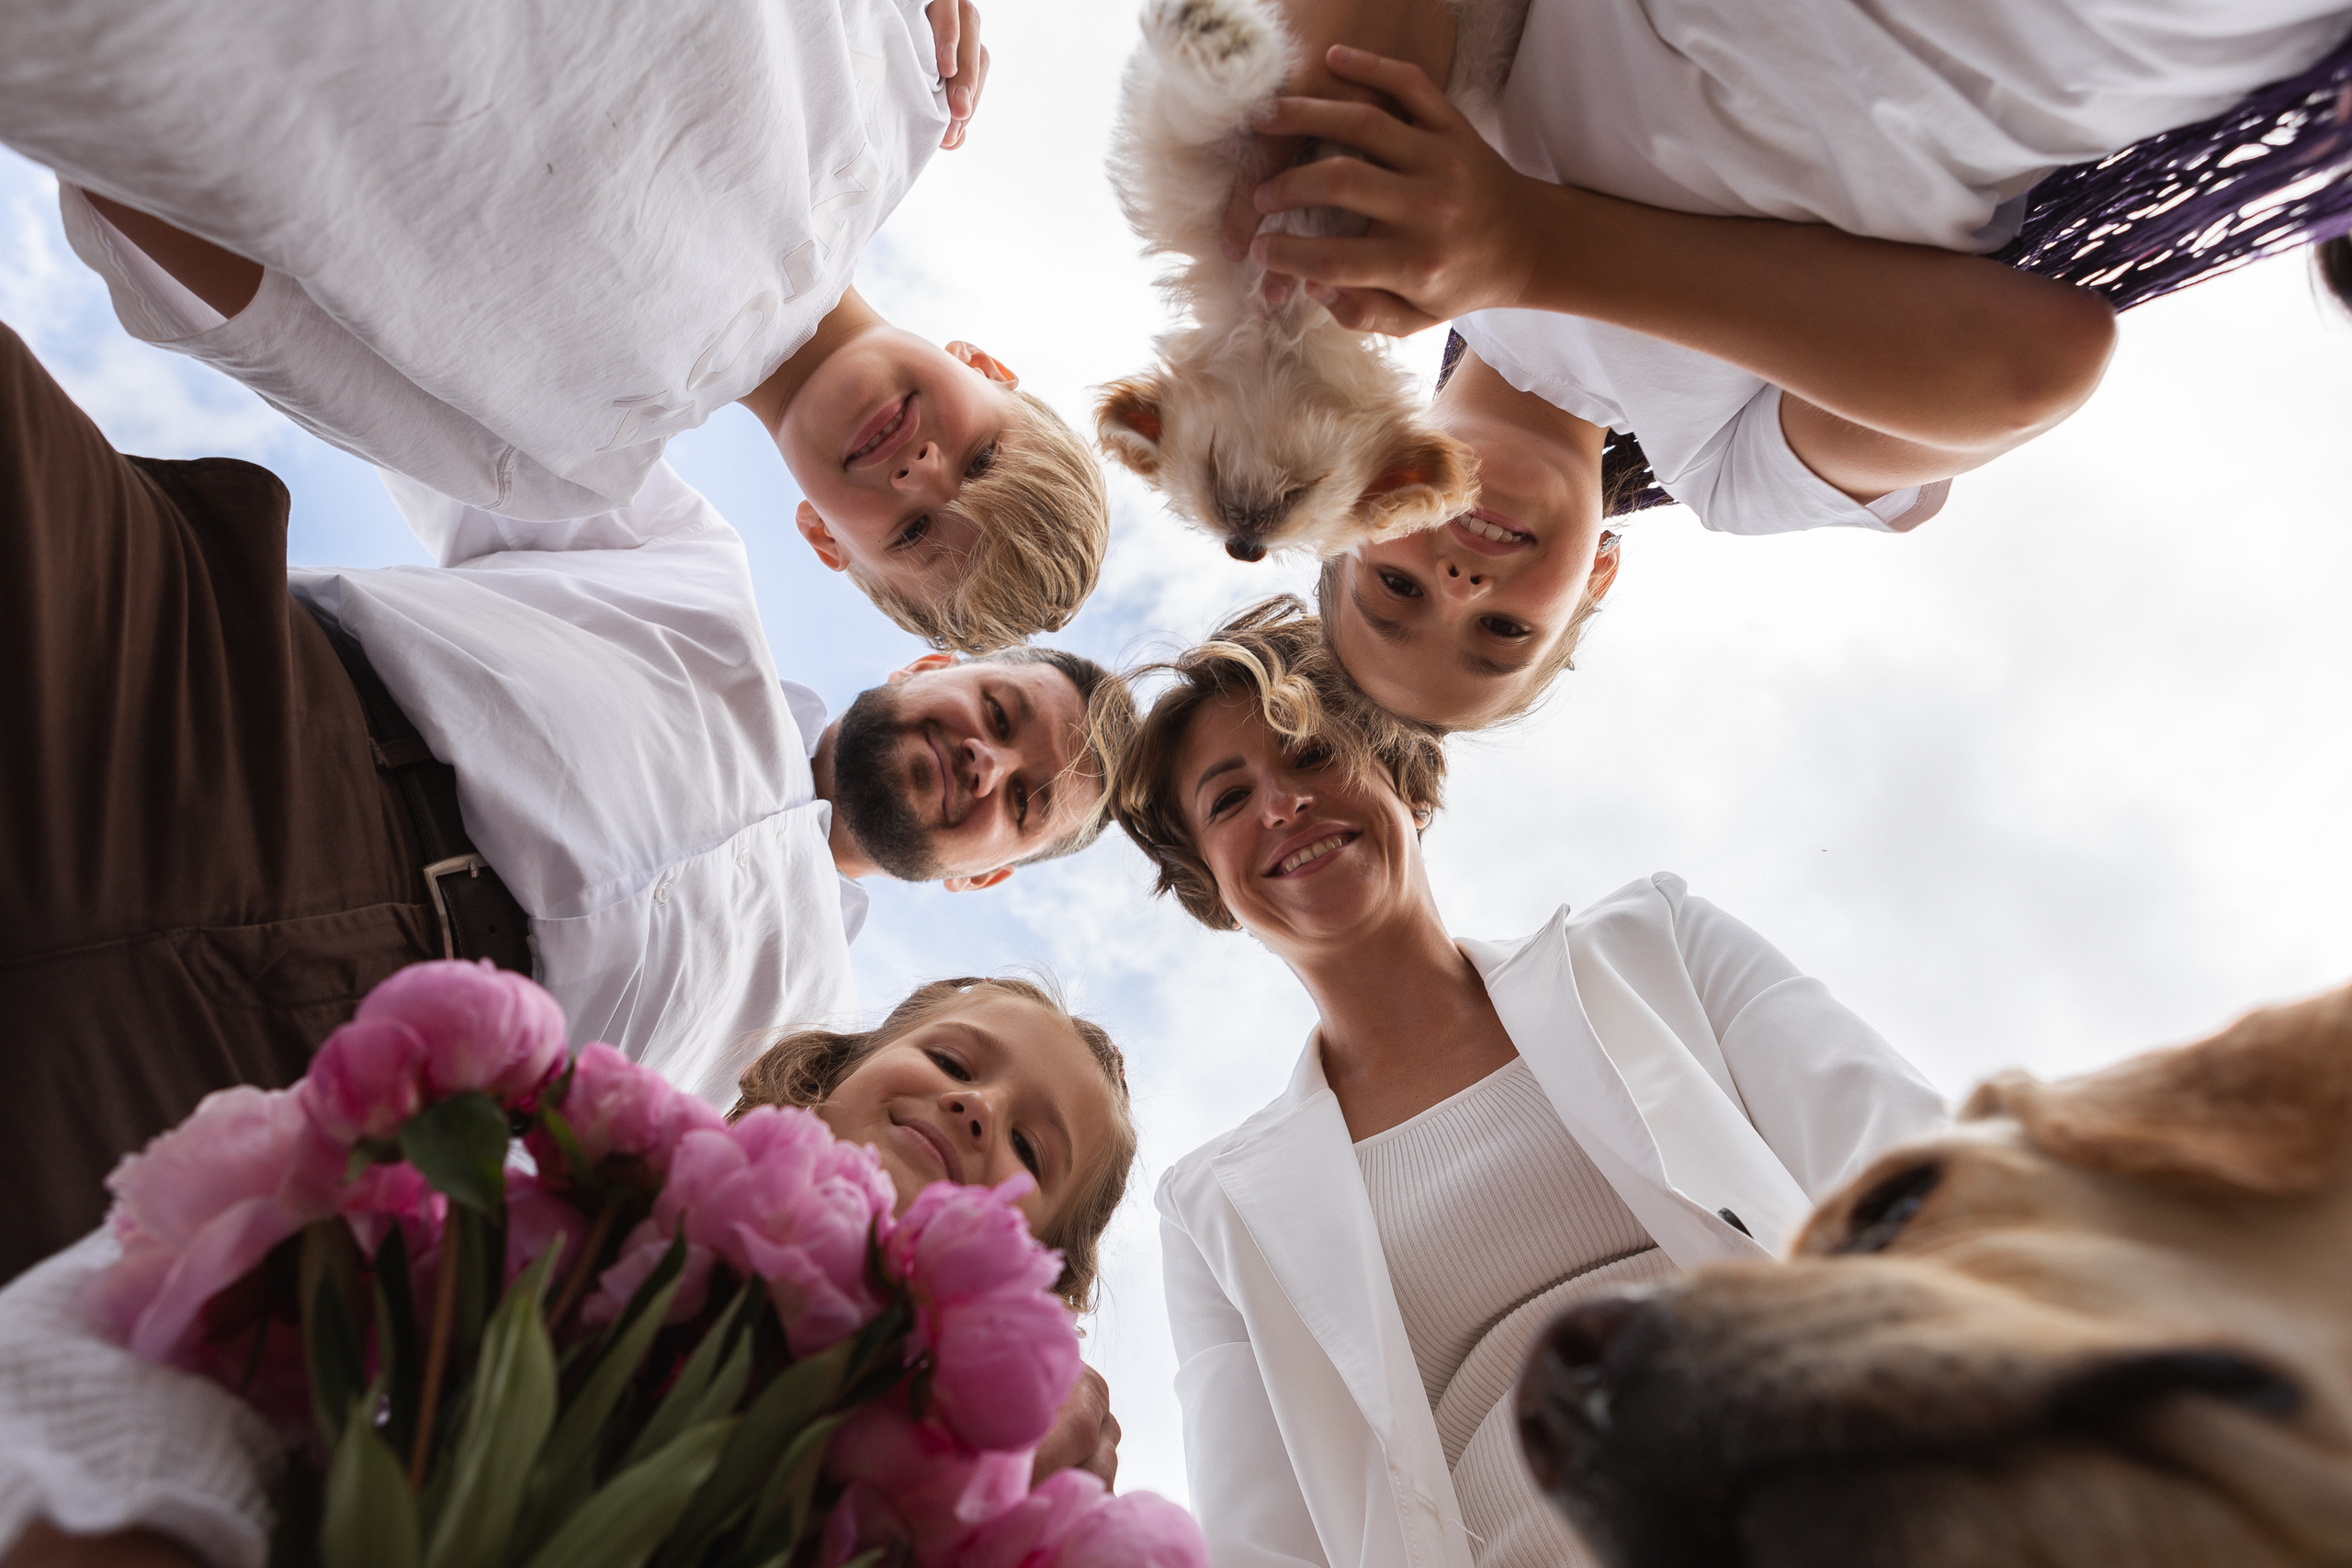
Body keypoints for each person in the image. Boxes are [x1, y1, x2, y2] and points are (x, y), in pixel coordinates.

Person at [0, 319, 1138, 1284]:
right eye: (997, 711)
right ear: (923, 672)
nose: (986, 763)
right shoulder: (689, 568)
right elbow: (458, 388)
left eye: (1024, 800)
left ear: (987, 870)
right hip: (224, 688)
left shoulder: (812, 1063)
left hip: (312, 1068)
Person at [1220, 0, 2352, 729]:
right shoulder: (1726, 469)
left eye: (1395, 588)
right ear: (1594, 581)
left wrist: (1309, 209)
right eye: (1503, 636)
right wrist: (1526, 248)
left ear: (1355, 508)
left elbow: (1359, 46)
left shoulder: (1396, 185)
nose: (1461, 590)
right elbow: (2036, 361)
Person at [1111, 598, 1947, 1568]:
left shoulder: (1655, 947)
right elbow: (1267, 1546)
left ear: (1405, 777)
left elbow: (1911, 1169)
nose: (1282, 805)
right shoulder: (1214, 1213)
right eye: (1226, 800)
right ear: (1211, 887)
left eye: (1310, 754)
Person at [2, 0, 1109, 655]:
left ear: (826, 542)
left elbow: (230, 291)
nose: (922, 468)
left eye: (914, 533)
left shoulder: (550, 463)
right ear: (987, 366)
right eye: (982, 455)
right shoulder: (901, 82)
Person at [0, 973, 1141, 1568]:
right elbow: (116, 1337)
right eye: (951, 1058)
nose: (972, 1106)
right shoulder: (525, 1185)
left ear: (1042, 1275)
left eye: (1032, 1149)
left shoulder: (950, 1505)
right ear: (823, 1073)